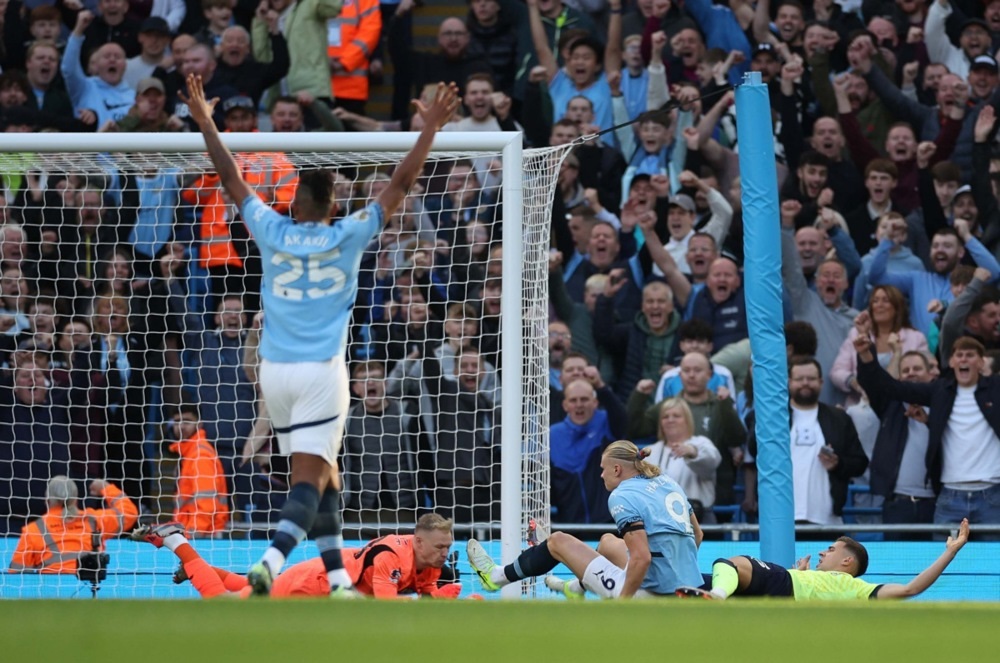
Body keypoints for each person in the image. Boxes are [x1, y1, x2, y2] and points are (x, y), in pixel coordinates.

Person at [181, 72, 460, 597]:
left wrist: (205, 123)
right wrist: (430, 130)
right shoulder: (349, 233)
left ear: (292, 204)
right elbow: (398, 185)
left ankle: (336, 582)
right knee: (308, 482)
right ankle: (268, 561)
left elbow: (229, 175)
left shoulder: (270, 228)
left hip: (274, 374)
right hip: (321, 373)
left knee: (327, 476)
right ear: (334, 207)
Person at [467, 440, 704, 599]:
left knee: (557, 541)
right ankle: (576, 587)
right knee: (608, 542)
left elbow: (641, 558)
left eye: (603, 469)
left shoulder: (622, 495)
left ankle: (496, 577)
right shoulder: (667, 481)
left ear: (617, 469)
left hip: (648, 591)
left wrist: (624, 605)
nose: (601, 475)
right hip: (685, 586)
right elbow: (698, 535)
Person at [131, 514, 462, 599]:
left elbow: (426, 593)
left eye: (447, 548)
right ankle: (176, 541)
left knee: (248, 584)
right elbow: (387, 608)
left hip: (322, 574)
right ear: (417, 541)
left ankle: (196, 566)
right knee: (228, 606)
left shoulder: (427, 557)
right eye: (440, 548)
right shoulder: (393, 557)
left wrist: (441, 597)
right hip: (310, 586)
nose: (444, 554)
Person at [677, 519, 970, 600]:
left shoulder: (858, 589)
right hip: (781, 593)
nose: (821, 552)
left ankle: (716, 596)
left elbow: (910, 589)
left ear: (847, 563)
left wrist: (949, 552)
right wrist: (801, 574)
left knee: (732, 563)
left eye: (830, 550)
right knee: (686, 584)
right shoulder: (811, 577)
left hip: (784, 586)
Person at [8, 476, 138, 573]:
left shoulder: (33, 530)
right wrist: (106, 487)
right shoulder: (94, 520)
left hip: (51, 597)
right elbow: (129, 512)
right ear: (76, 499)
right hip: (90, 591)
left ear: (47, 500)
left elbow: (17, 574)